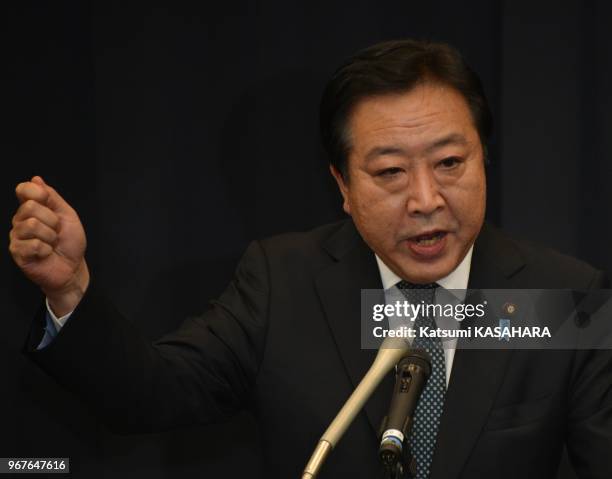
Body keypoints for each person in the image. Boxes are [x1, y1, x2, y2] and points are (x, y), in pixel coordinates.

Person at [8, 39, 612, 478]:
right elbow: (148, 395)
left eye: (451, 163)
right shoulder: (284, 281)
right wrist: (70, 292)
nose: (427, 200)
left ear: (484, 159)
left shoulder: (565, 299)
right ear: (343, 187)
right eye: (391, 173)